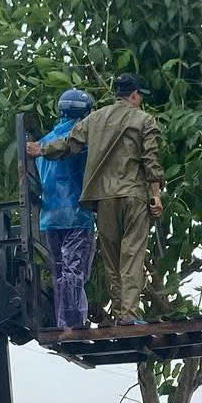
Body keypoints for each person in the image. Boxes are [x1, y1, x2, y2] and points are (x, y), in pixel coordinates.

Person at [28, 73, 164, 326]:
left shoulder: (95, 119)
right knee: (132, 255)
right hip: (133, 195)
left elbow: (68, 143)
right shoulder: (144, 120)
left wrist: (41, 149)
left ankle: (119, 311)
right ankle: (129, 313)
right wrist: (155, 195)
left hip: (103, 199)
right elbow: (151, 160)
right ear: (134, 95)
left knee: (111, 257)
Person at [36, 87, 97, 330]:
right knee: (75, 269)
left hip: (49, 218)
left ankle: (64, 320)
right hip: (76, 215)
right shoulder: (81, 142)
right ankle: (73, 320)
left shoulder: (44, 142)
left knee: (59, 270)